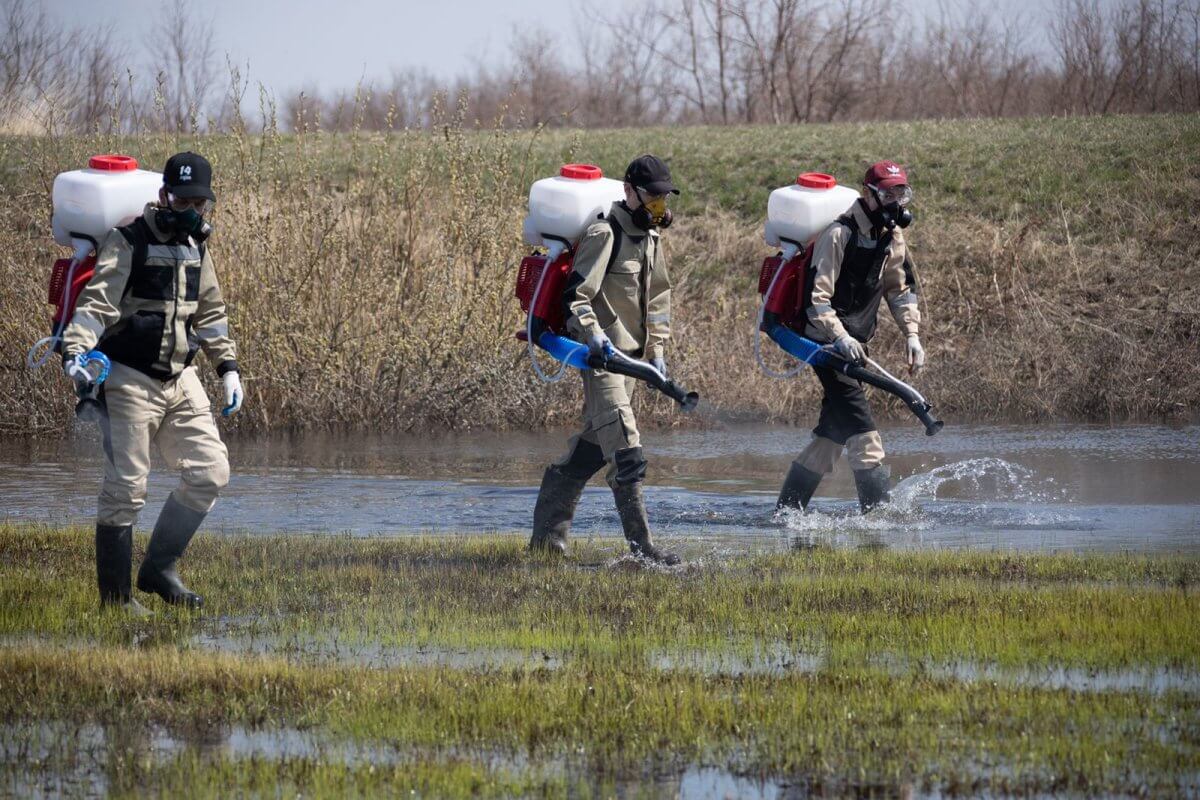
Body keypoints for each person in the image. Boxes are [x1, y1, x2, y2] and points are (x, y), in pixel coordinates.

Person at [61, 152, 243, 612]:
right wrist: (75, 352)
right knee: (127, 487)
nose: (190, 210)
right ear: (164, 196)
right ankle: (116, 599)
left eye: (200, 204)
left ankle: (159, 569)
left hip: (181, 378)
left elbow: (212, 313)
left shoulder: (198, 247)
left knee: (210, 472)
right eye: (182, 200)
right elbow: (96, 304)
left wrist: (228, 369)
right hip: (129, 379)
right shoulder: (128, 241)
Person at [529, 155, 680, 564]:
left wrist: (659, 352)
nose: (659, 206)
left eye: (664, 198)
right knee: (627, 452)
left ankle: (547, 539)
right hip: (603, 363)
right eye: (652, 196)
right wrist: (595, 336)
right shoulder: (604, 233)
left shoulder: (651, 239)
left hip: (634, 362)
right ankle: (643, 550)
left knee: (593, 449)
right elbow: (577, 297)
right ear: (629, 192)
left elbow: (660, 298)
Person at [777, 160, 925, 513]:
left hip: (855, 344)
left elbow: (900, 289)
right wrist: (840, 338)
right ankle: (877, 521)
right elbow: (817, 300)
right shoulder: (837, 234)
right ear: (868, 193)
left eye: (900, 193)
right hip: (826, 343)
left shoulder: (892, 236)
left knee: (832, 435)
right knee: (865, 435)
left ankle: (786, 512)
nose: (895, 202)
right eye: (887, 193)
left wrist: (912, 335)